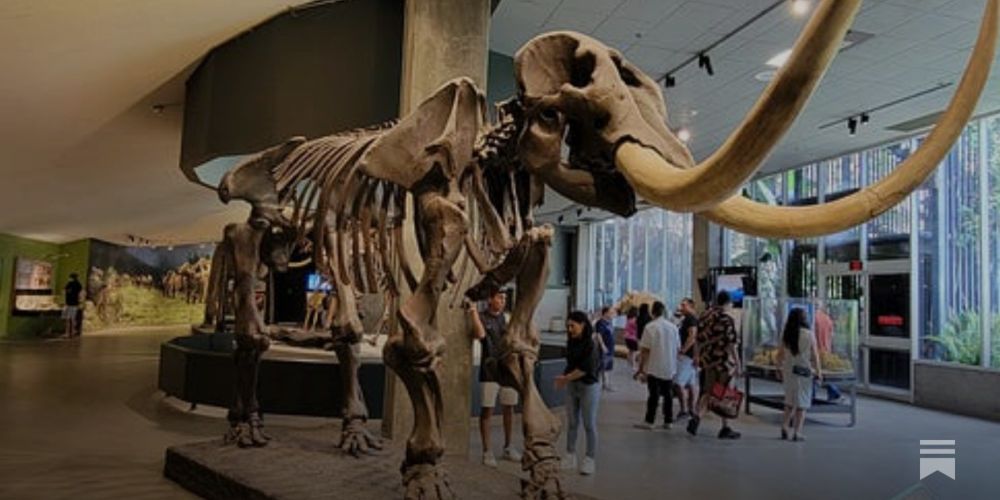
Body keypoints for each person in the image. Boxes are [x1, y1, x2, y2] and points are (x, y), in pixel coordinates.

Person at [468, 290, 521, 467]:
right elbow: (480, 336)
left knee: (509, 407)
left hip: (507, 370)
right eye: (499, 297)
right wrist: (474, 312)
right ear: (490, 298)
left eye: (504, 298)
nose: (503, 300)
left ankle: (508, 446)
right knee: (488, 410)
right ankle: (487, 451)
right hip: (489, 370)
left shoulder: (506, 318)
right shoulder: (482, 317)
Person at [688, 291, 742, 440]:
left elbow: (697, 339)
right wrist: (738, 364)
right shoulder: (727, 320)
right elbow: (732, 345)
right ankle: (725, 427)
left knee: (707, 392)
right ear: (728, 303)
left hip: (708, 362)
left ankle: (697, 417)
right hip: (724, 363)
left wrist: (697, 356)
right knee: (724, 394)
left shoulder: (705, 316)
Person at [555, 310, 601, 475]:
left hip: (588, 387)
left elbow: (585, 369)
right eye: (567, 326)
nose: (569, 329)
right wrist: (566, 378)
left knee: (589, 423)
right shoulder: (571, 342)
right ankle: (570, 455)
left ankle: (590, 459)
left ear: (582, 325)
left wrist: (565, 378)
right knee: (572, 422)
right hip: (572, 386)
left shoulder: (591, 344)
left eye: (572, 326)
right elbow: (571, 364)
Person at [776, 308, 822, 441]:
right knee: (802, 402)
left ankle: (785, 426)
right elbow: (815, 355)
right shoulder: (809, 334)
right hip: (804, 371)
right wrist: (819, 372)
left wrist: (778, 368)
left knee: (789, 400)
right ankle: (797, 432)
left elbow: (780, 354)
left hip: (789, 370)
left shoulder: (786, 334)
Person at [635, 301, 680, 430]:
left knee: (653, 394)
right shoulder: (673, 327)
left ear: (652, 312)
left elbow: (645, 350)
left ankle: (650, 421)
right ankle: (668, 420)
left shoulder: (650, 327)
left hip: (654, 366)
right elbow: (677, 347)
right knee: (668, 394)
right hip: (669, 366)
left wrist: (641, 368)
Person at [673, 298, 700, 420]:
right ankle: (691, 409)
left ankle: (685, 409)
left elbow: (692, 336)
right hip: (692, 355)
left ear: (690, 306)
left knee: (678, 383)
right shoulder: (687, 319)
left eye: (684, 305)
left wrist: (683, 350)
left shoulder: (691, 319)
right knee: (691, 383)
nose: (681, 307)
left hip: (687, 356)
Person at [594, 306, 616, 391]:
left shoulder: (609, 322)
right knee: (602, 366)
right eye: (611, 313)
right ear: (606, 313)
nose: (613, 314)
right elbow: (598, 334)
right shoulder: (600, 323)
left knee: (607, 367)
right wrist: (602, 345)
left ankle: (605, 384)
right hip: (605, 348)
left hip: (610, 348)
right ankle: (599, 384)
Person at [62, 273, 83, 338]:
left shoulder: (69, 284)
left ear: (71, 278)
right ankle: (73, 332)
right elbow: (81, 294)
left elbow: (64, 291)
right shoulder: (79, 285)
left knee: (68, 319)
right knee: (73, 319)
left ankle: (67, 333)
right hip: (75, 304)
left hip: (69, 303)